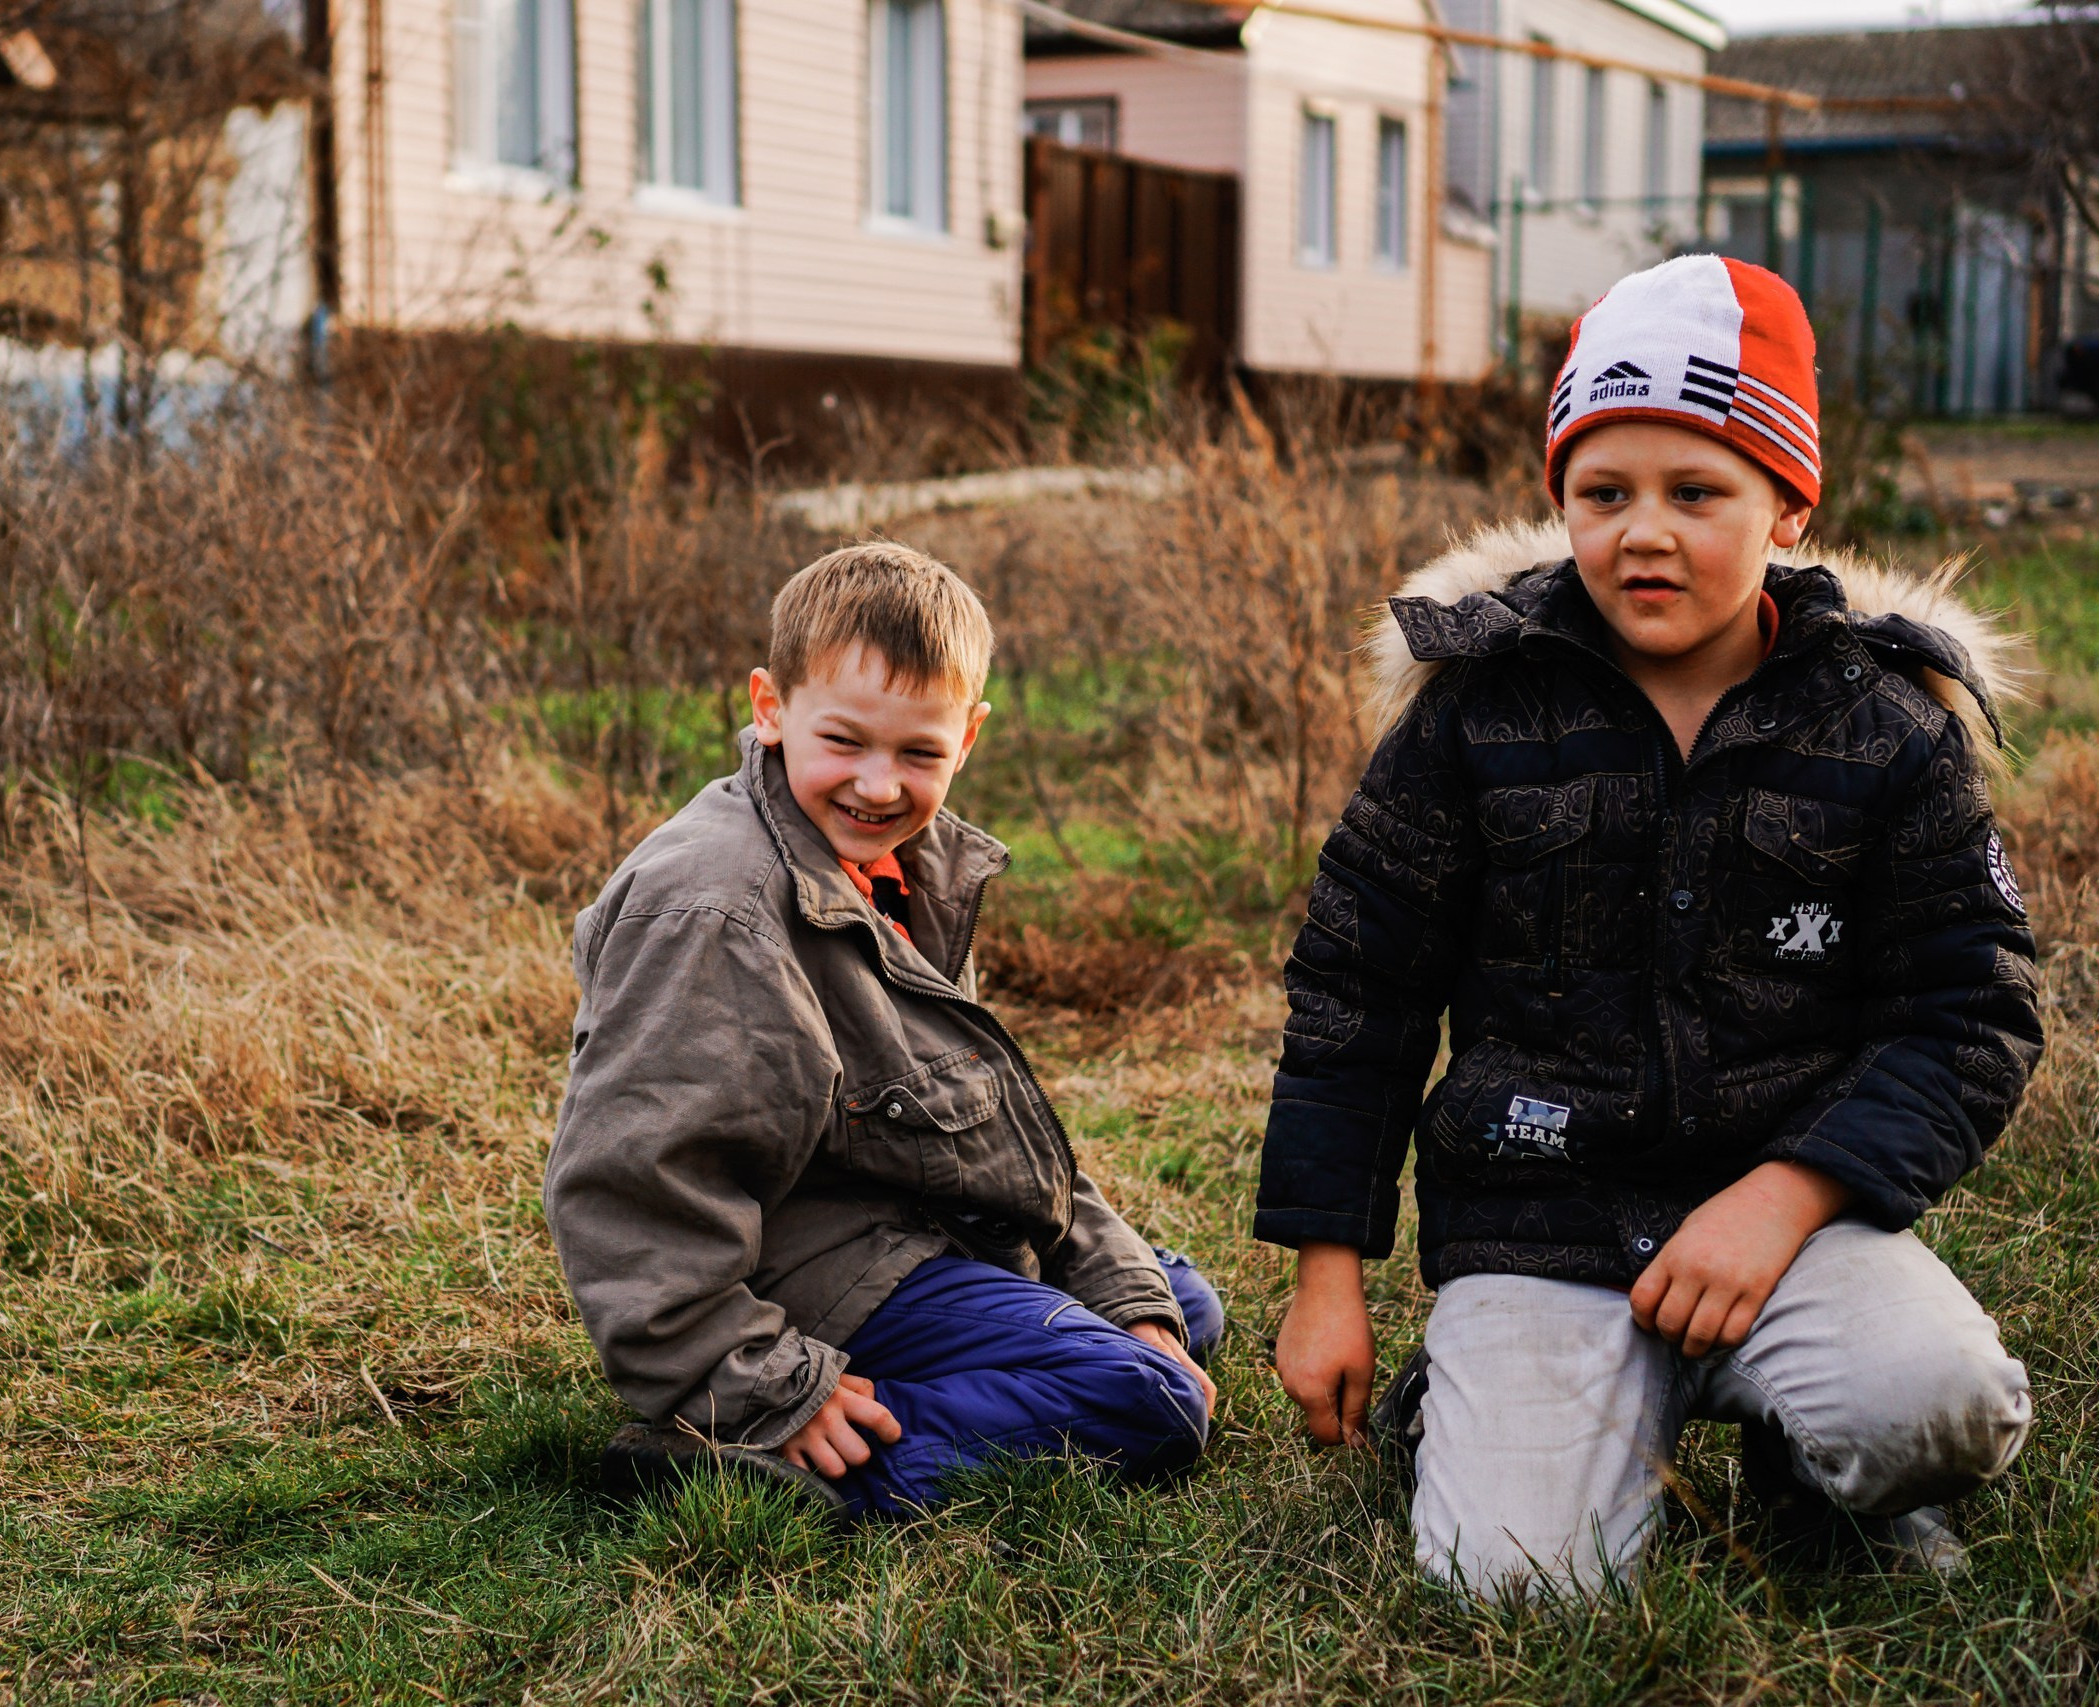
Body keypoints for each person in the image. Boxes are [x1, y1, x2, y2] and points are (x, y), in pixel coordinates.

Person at [1255, 255, 2043, 1596]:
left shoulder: (1887, 728)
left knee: (1938, 1401)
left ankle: (1815, 1476)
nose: (1645, 533)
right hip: (1544, 1222)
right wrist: (1327, 1274)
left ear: (1791, 505)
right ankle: (1476, 1400)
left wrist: (1787, 1195)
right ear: (1560, 499)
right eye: (1603, 492)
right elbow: (1357, 992)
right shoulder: (1474, 714)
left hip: (1790, 1230)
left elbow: (1972, 1010)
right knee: (1516, 1580)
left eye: (1698, 492)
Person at [545, 541, 1222, 1520]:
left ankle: (1016, 1363)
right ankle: (784, 1465)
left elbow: (988, 1120)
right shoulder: (713, 911)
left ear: (969, 737)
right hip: (799, 1271)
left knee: (1174, 1303)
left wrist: (1120, 1291)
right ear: (771, 708)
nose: (878, 785)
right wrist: (756, 1382)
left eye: (918, 753)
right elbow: (634, 1184)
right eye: (845, 741)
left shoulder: (911, 864)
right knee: (1146, 1397)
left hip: (901, 1210)